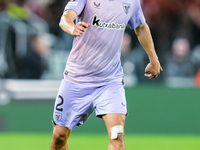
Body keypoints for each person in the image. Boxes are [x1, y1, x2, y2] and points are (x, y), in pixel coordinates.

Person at [50, 0, 162, 150]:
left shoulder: (131, 2)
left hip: (109, 82)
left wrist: (153, 58)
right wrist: (72, 27)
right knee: (59, 136)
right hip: (76, 79)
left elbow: (141, 27)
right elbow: (66, 18)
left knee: (117, 137)